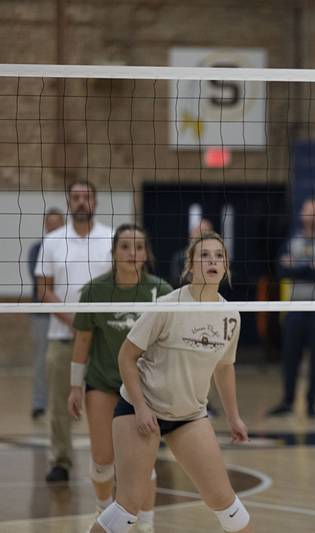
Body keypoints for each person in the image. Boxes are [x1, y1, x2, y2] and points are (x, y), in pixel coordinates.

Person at [89, 231, 252, 533]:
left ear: (226, 266)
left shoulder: (231, 315)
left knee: (225, 501)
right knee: (128, 507)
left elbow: (224, 367)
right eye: (204, 255)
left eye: (219, 256)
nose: (212, 261)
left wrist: (233, 417)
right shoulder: (168, 305)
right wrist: (140, 408)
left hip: (189, 415)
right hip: (142, 409)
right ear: (190, 265)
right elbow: (126, 357)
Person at [67, 224, 171, 531]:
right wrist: (75, 386)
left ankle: (147, 525)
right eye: (125, 246)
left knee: (143, 462)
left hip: (143, 387)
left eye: (138, 247)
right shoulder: (95, 291)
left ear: (146, 254)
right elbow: (83, 340)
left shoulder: (162, 292)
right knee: (102, 461)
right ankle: (103, 511)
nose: (132, 253)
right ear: (113, 252)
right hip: (103, 382)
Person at [35, 181, 113, 483]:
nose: (81, 202)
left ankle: (111, 460)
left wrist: (94, 322)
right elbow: (44, 290)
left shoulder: (110, 238)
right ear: (69, 202)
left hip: (103, 340)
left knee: (108, 403)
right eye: (76, 197)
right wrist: (75, 320)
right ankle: (60, 461)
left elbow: (120, 285)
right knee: (59, 404)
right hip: (62, 336)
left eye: (87, 197)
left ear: (96, 202)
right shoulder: (52, 241)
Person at [268, 197, 315, 418]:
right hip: (295, 307)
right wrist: (308, 268)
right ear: (301, 214)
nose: (311, 216)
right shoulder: (292, 239)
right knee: (290, 356)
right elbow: (281, 270)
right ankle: (287, 402)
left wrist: (296, 267)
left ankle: (311, 404)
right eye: (308, 211)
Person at [28, 208, 65, 419]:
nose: (53, 229)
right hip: (42, 312)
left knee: (67, 360)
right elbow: (41, 282)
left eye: (56, 225)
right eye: (49, 225)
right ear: (45, 226)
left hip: (67, 311)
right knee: (42, 359)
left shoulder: (69, 247)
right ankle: (39, 404)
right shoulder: (37, 249)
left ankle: (68, 404)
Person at [169, 218, 213, 288]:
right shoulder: (179, 257)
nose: (200, 235)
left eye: (204, 232)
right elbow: (176, 281)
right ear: (191, 234)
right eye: (197, 231)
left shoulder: (216, 258)